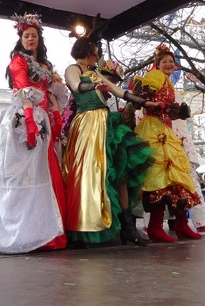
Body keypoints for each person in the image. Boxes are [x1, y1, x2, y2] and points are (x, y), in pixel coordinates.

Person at [0, 14, 67, 253]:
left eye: (34, 36)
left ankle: (46, 233)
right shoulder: (18, 61)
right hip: (23, 118)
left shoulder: (46, 66)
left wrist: (55, 116)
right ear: (21, 38)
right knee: (24, 173)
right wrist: (29, 121)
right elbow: (24, 90)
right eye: (26, 36)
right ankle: (23, 232)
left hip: (42, 117)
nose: (30, 39)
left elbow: (53, 95)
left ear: (39, 39)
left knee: (44, 172)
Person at [61, 37, 154, 246]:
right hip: (87, 124)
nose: (98, 54)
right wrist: (96, 85)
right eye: (96, 50)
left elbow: (120, 91)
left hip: (105, 122)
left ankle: (128, 228)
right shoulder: (73, 68)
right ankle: (85, 226)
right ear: (88, 50)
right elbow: (76, 87)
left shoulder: (96, 73)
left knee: (121, 172)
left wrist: (146, 102)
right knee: (90, 174)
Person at [130, 44, 202, 242]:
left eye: (171, 61)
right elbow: (140, 100)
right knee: (160, 177)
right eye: (165, 62)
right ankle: (155, 227)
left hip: (165, 129)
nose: (169, 64)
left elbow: (162, 106)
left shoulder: (168, 83)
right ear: (157, 64)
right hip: (154, 130)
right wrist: (156, 106)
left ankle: (181, 224)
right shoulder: (154, 77)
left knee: (176, 177)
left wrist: (176, 111)